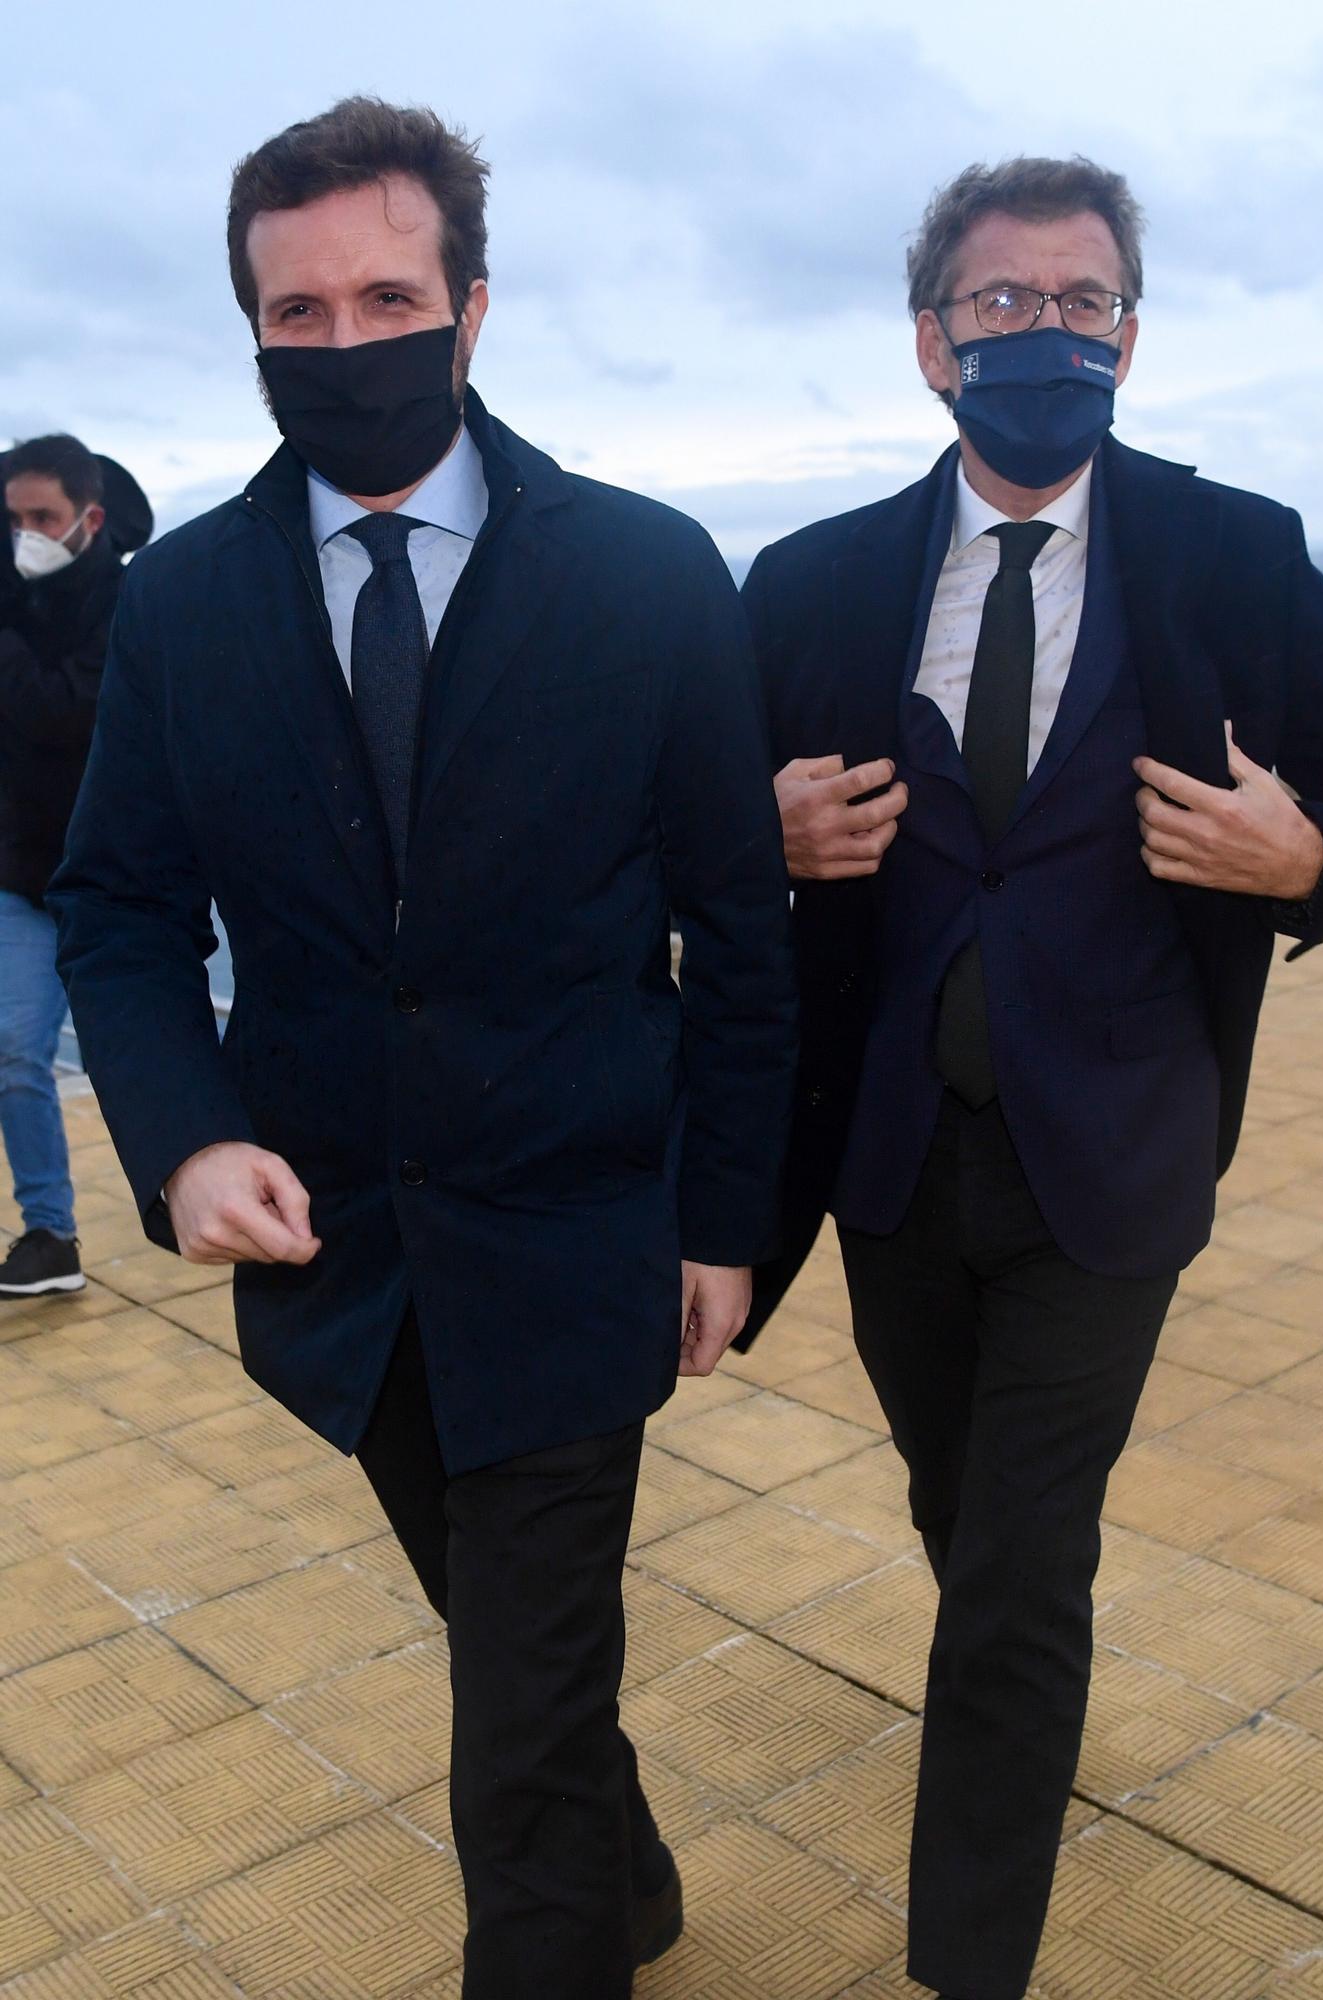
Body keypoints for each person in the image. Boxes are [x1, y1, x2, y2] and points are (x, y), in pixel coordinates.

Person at [51, 97, 796, 2000]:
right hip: (338, 1258)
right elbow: (124, 911)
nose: (342, 341)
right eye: (293, 313)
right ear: (250, 332)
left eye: (385, 294)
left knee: (513, 1725)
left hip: (575, 1233)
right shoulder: (182, 604)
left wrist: (725, 1225)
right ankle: (621, 1875)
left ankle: (564, 1931)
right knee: (515, 1650)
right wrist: (183, 1139)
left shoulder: (644, 575)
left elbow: (740, 929)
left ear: (471, 311)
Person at [739, 156, 1323, 2000]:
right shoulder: (814, 583)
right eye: (1000, 304)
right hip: (887, 1160)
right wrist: (758, 839)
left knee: (1012, 1565)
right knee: (957, 1516)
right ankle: (1022, 1699)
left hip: (1116, 1154)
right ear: (928, 345)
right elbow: (687, 840)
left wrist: (1299, 862)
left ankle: (961, 1962)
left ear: (1128, 336)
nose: (1041, 333)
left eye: (1081, 304)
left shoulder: (1230, 553)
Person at [0, 435, 150, 1297]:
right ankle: (50, 1235)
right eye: (12, 517)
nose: (25, 534)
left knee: (183, 1053)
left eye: (42, 518)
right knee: (18, 1051)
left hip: (125, 876)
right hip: (22, 873)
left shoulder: (130, 600)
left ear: (88, 519)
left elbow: (69, 712)